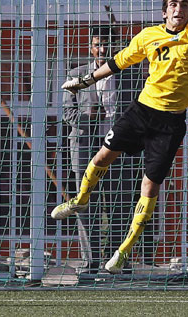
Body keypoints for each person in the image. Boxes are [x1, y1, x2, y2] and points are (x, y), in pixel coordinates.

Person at [51, 0, 188, 273]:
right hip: (141, 111)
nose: (179, 9)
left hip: (171, 123)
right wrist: (87, 80)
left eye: (185, 5)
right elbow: (119, 62)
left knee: (149, 186)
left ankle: (123, 251)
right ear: (164, 11)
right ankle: (79, 200)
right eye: (173, 4)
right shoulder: (148, 36)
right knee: (102, 158)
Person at [62, 25, 122, 274]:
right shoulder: (76, 74)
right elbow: (67, 113)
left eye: (107, 44)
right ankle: (90, 263)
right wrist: (89, 117)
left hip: (118, 149)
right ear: (91, 47)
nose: (103, 49)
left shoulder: (129, 74)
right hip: (86, 150)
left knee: (120, 205)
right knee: (86, 207)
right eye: (98, 44)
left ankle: (117, 262)